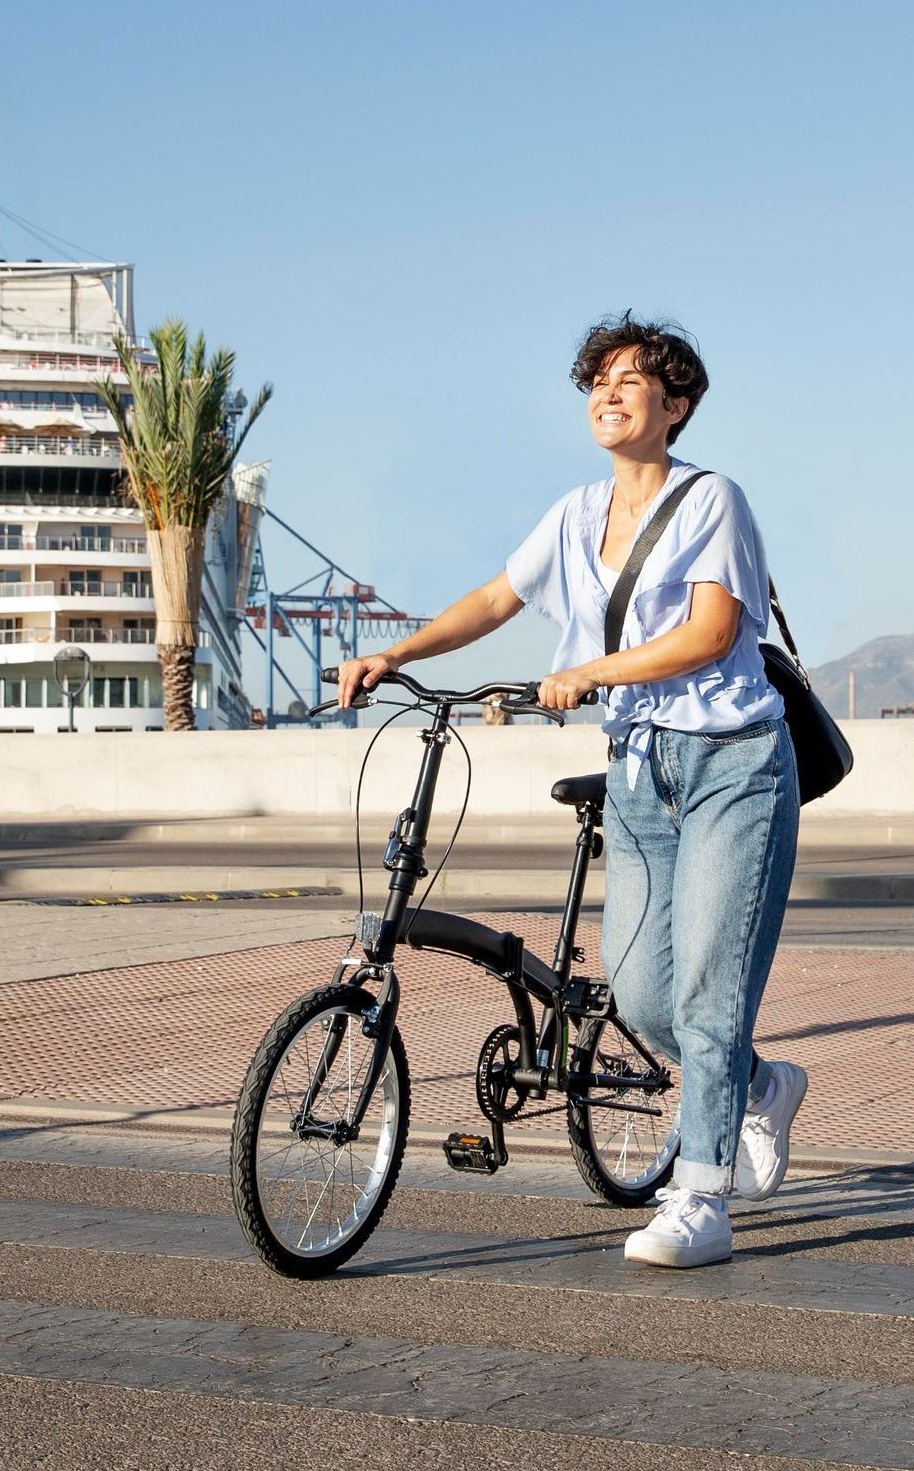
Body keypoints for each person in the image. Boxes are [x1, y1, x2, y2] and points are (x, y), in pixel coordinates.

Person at [336, 313, 807, 1268]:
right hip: (638, 773)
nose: (609, 391)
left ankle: (701, 1199)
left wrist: (594, 674)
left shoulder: (714, 501)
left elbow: (711, 634)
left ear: (675, 407)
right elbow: (493, 600)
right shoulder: (572, 515)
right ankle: (762, 1085)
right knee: (640, 998)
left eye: (633, 380)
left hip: (732, 766)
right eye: (598, 378)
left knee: (711, 995)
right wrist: (397, 650)